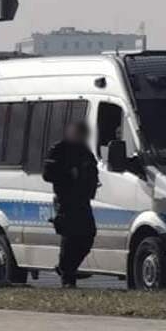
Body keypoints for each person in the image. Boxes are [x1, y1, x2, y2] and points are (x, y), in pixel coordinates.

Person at [42, 121, 100, 287]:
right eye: (79, 133)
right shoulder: (59, 149)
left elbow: (91, 171)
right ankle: (68, 276)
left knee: (88, 235)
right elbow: (48, 174)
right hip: (66, 200)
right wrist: (68, 173)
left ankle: (67, 268)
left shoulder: (84, 151)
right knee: (70, 236)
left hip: (83, 200)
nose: (82, 136)